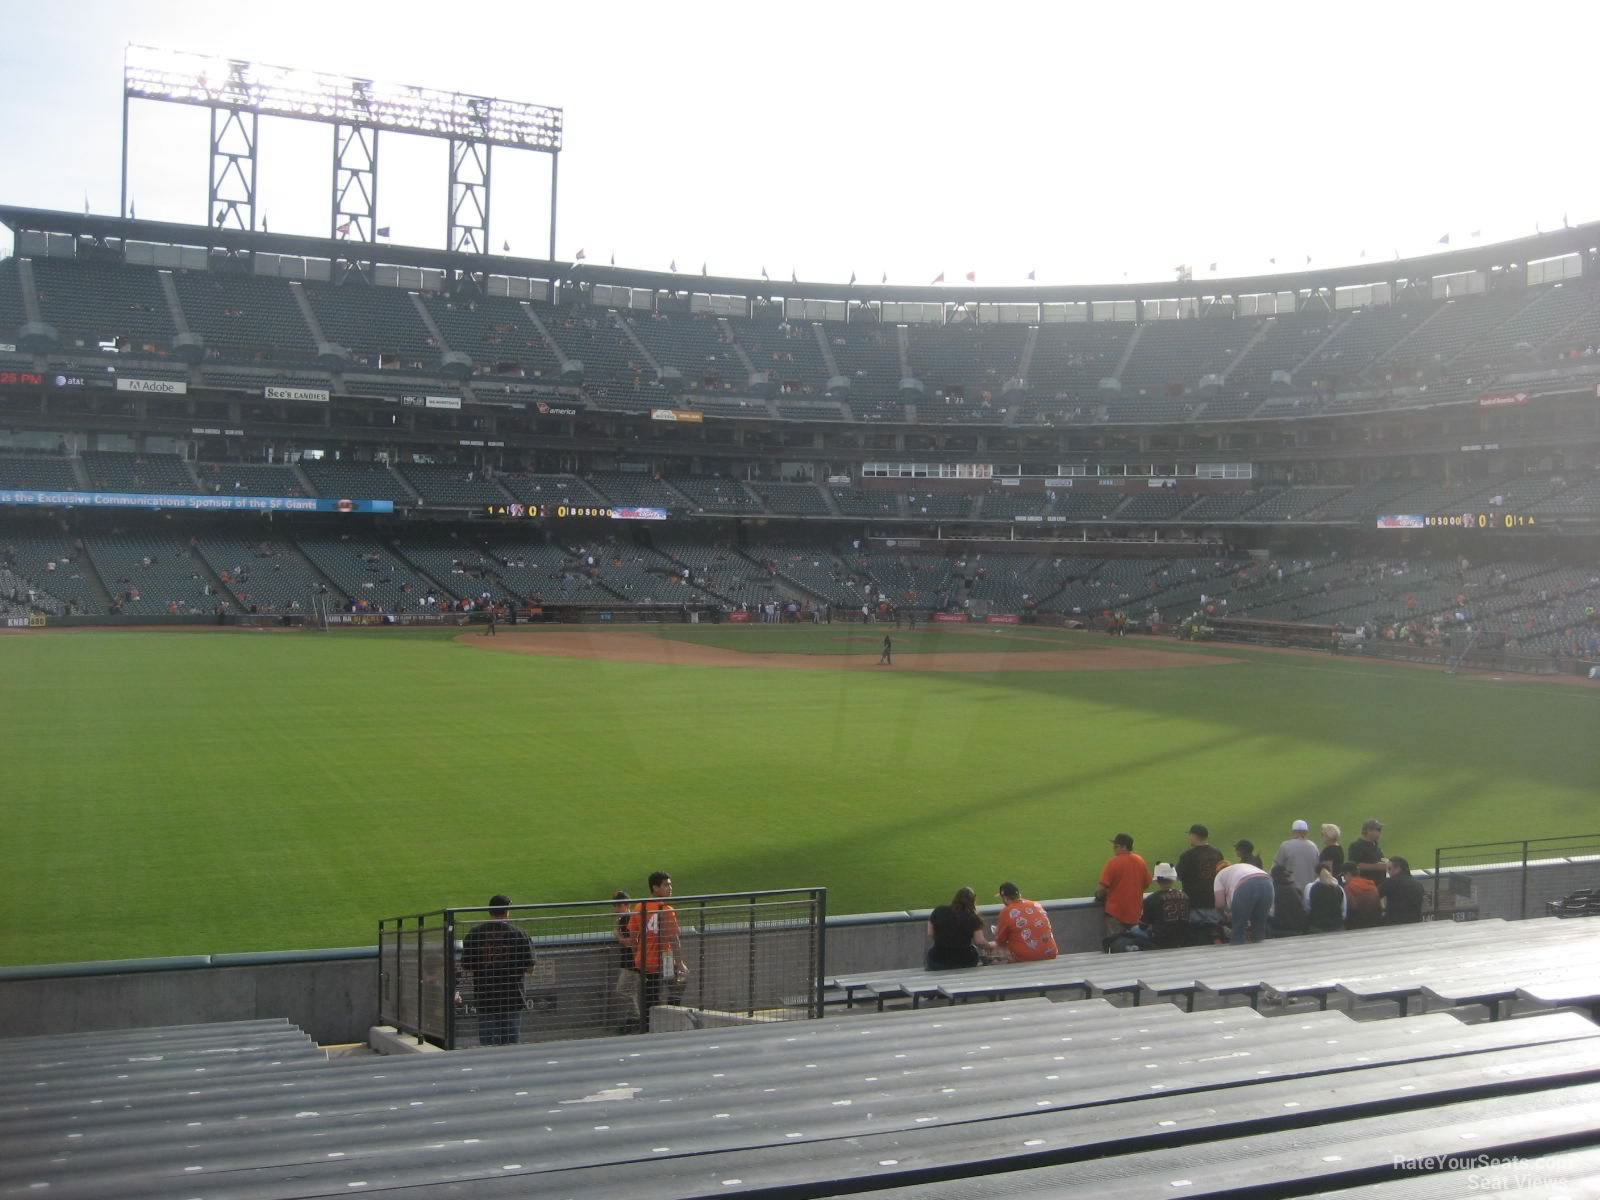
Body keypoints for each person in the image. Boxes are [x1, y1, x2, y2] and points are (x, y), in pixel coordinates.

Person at [460, 894, 535, 1046]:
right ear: (507, 911)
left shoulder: (474, 934)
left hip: (486, 997)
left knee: (488, 1046)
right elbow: (530, 968)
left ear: (490, 911)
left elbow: (466, 967)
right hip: (512, 996)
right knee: (510, 1046)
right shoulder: (520, 934)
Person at [627, 871, 686, 1028]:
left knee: (649, 998)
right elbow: (674, 939)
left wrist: (637, 956)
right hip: (664, 961)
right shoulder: (667, 910)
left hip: (645, 962)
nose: (670, 888)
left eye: (670, 884)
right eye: (666, 885)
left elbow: (633, 937)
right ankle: (670, 1020)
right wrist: (679, 963)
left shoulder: (640, 907)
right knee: (677, 987)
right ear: (655, 888)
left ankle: (647, 1028)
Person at [1096, 833, 1152, 945]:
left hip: (1115, 913)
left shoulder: (1113, 863)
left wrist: (1099, 895)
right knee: (1134, 947)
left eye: (1116, 846)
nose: (1114, 849)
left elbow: (1101, 889)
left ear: (1124, 847)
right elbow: (1147, 883)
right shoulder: (1140, 861)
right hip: (1135, 913)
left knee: (1115, 945)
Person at [926, 886, 992, 969]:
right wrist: (989, 946)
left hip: (938, 959)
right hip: (965, 960)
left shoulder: (938, 910)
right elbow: (979, 942)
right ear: (972, 901)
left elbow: (930, 933)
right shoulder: (973, 918)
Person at [991, 882, 1058, 962]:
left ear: (1005, 898)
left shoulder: (1006, 911)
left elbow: (1000, 941)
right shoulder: (1036, 905)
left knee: (997, 954)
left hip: (1026, 958)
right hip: (1050, 953)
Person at [1214, 860, 1274, 944]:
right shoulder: (1239, 869)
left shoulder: (1219, 876)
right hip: (1267, 883)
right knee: (1259, 928)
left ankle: (1237, 951)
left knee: (1238, 930)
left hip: (1246, 885)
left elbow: (1219, 905)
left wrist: (1225, 915)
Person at [1176, 823, 1225, 917]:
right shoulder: (1217, 853)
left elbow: (1178, 876)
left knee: (1196, 930)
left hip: (1195, 904)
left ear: (1195, 836)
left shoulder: (1187, 855)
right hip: (1214, 902)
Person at [1140, 863, 1192, 949]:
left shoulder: (1151, 899)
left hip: (1161, 941)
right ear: (1173, 878)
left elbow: (1143, 926)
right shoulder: (1185, 896)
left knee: (1133, 931)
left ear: (1157, 879)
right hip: (1183, 939)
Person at [611, 890, 640, 1034]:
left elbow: (633, 942)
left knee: (622, 990)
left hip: (631, 963)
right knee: (631, 991)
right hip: (632, 962)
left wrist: (619, 937)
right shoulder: (627, 918)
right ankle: (633, 1019)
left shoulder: (626, 919)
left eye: (617, 905)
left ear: (626, 905)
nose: (615, 908)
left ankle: (636, 1018)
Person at [1273, 820, 1322, 891]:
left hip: (1291, 891)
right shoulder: (1314, 847)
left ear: (1293, 832)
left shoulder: (1285, 845)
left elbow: (1275, 869)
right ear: (1306, 833)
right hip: (1310, 891)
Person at [1381, 856, 1426, 925]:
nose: (1387, 871)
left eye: (1389, 869)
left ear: (1398, 868)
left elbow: (1373, 896)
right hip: (1415, 923)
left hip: (1393, 924)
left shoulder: (1390, 882)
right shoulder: (1418, 884)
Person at [1304, 867, 1348, 933]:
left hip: (1317, 926)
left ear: (1316, 874)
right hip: (1337, 926)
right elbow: (1343, 911)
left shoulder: (1311, 887)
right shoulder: (1339, 888)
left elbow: (1307, 908)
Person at [1270, 864, 1308, 936]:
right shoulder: (1296, 889)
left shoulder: (1272, 890)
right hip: (1299, 929)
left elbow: (1270, 913)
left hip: (1280, 930)